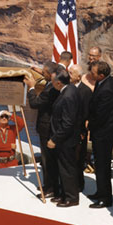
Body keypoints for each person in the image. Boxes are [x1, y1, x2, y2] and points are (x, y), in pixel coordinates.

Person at [23, 61, 62, 199]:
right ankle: (49, 185)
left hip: (46, 127)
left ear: (51, 74)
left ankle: (49, 188)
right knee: (49, 159)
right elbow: (58, 69)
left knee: (47, 159)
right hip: (51, 126)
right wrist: (40, 71)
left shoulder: (50, 90)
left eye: (44, 73)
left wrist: (31, 88)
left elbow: (34, 104)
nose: (42, 74)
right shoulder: (55, 80)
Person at [87, 61, 113, 208]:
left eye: (93, 73)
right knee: (99, 164)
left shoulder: (107, 89)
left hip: (104, 132)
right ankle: (100, 191)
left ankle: (105, 198)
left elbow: (101, 114)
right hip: (100, 131)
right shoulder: (103, 82)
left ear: (101, 75)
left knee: (103, 165)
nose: (90, 74)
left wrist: (89, 125)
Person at [47, 70, 81, 207]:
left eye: (53, 82)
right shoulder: (71, 89)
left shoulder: (68, 96)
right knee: (63, 167)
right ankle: (64, 193)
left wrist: (54, 139)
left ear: (59, 83)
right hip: (66, 138)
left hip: (66, 140)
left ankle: (72, 197)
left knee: (67, 168)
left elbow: (67, 123)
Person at [69, 64, 92, 191]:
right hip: (68, 131)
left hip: (79, 132)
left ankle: (78, 185)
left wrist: (81, 131)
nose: (69, 75)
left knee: (78, 160)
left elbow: (85, 113)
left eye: (71, 73)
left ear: (78, 77)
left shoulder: (85, 91)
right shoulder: (68, 88)